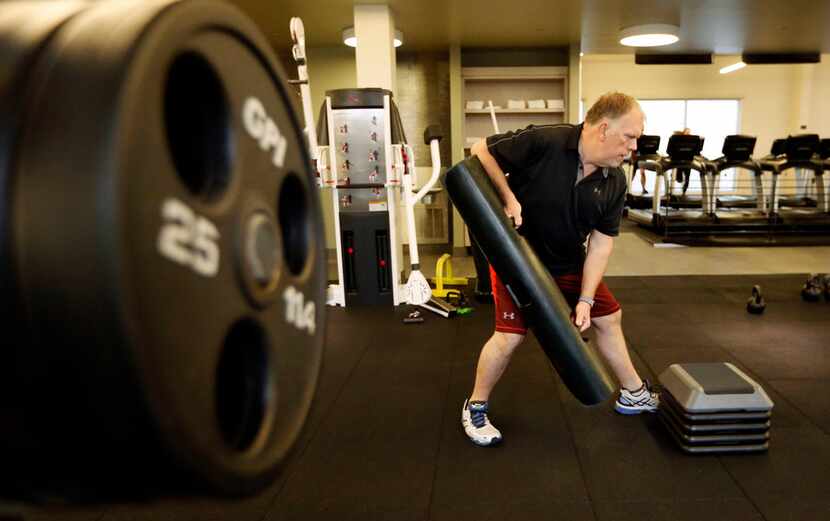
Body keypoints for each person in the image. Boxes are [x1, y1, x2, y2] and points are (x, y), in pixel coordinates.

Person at [461, 92, 659, 447]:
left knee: (608, 317)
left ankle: (633, 392)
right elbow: (481, 150)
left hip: (568, 259)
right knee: (510, 337)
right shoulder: (546, 141)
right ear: (603, 129)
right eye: (629, 137)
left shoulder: (615, 181)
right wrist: (509, 197)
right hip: (518, 260)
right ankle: (475, 405)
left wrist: (584, 299)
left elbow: (601, 242)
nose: (633, 147)